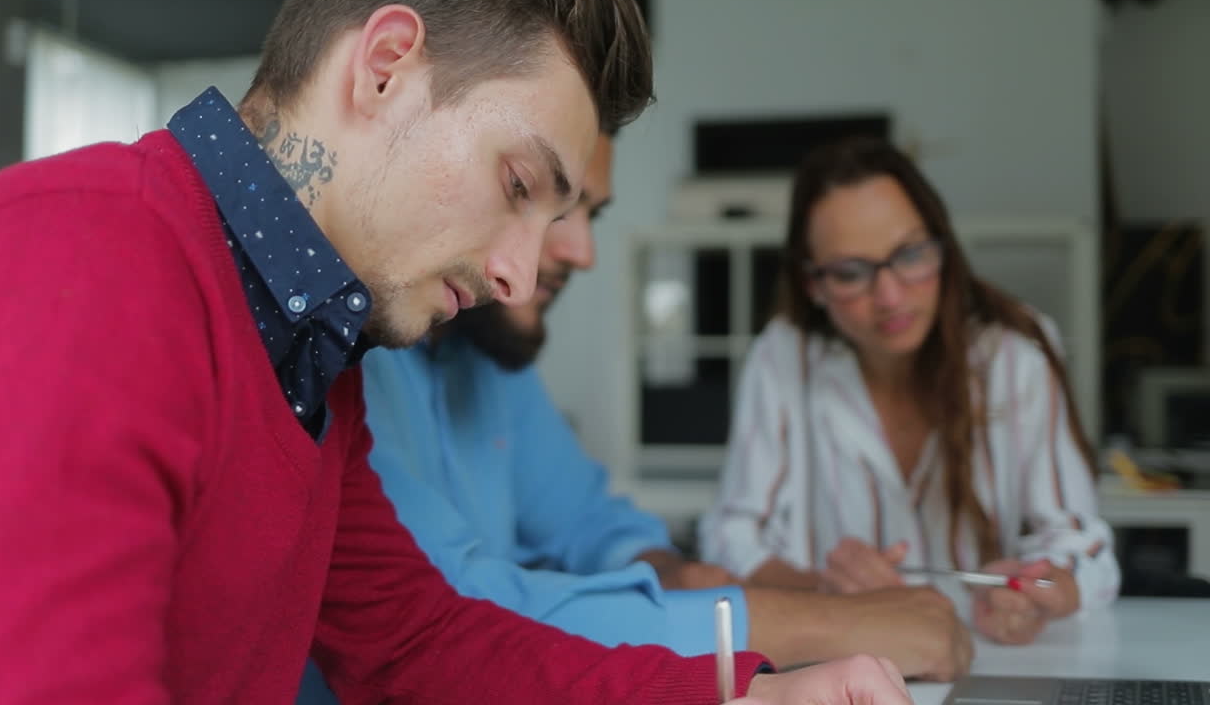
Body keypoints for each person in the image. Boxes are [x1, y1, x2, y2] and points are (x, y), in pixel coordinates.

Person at [0, 0, 917, 703]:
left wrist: (745, 693)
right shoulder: (79, 253)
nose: (520, 279)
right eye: (519, 187)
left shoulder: (316, 357)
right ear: (385, 66)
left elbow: (416, 646)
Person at [296, 129, 972, 704]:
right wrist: (819, 628)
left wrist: (665, 570)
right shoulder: (334, 359)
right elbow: (447, 620)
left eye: (589, 212)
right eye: (546, 202)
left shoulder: (486, 356)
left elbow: (588, 519)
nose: (582, 252)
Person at [699, 137, 1120, 647]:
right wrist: (823, 590)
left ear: (943, 246)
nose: (890, 295)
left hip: (991, 658)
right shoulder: (782, 357)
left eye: (911, 254)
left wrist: (1044, 589)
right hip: (840, 666)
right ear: (812, 284)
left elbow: (1082, 546)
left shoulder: (1015, 355)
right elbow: (729, 537)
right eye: (851, 273)